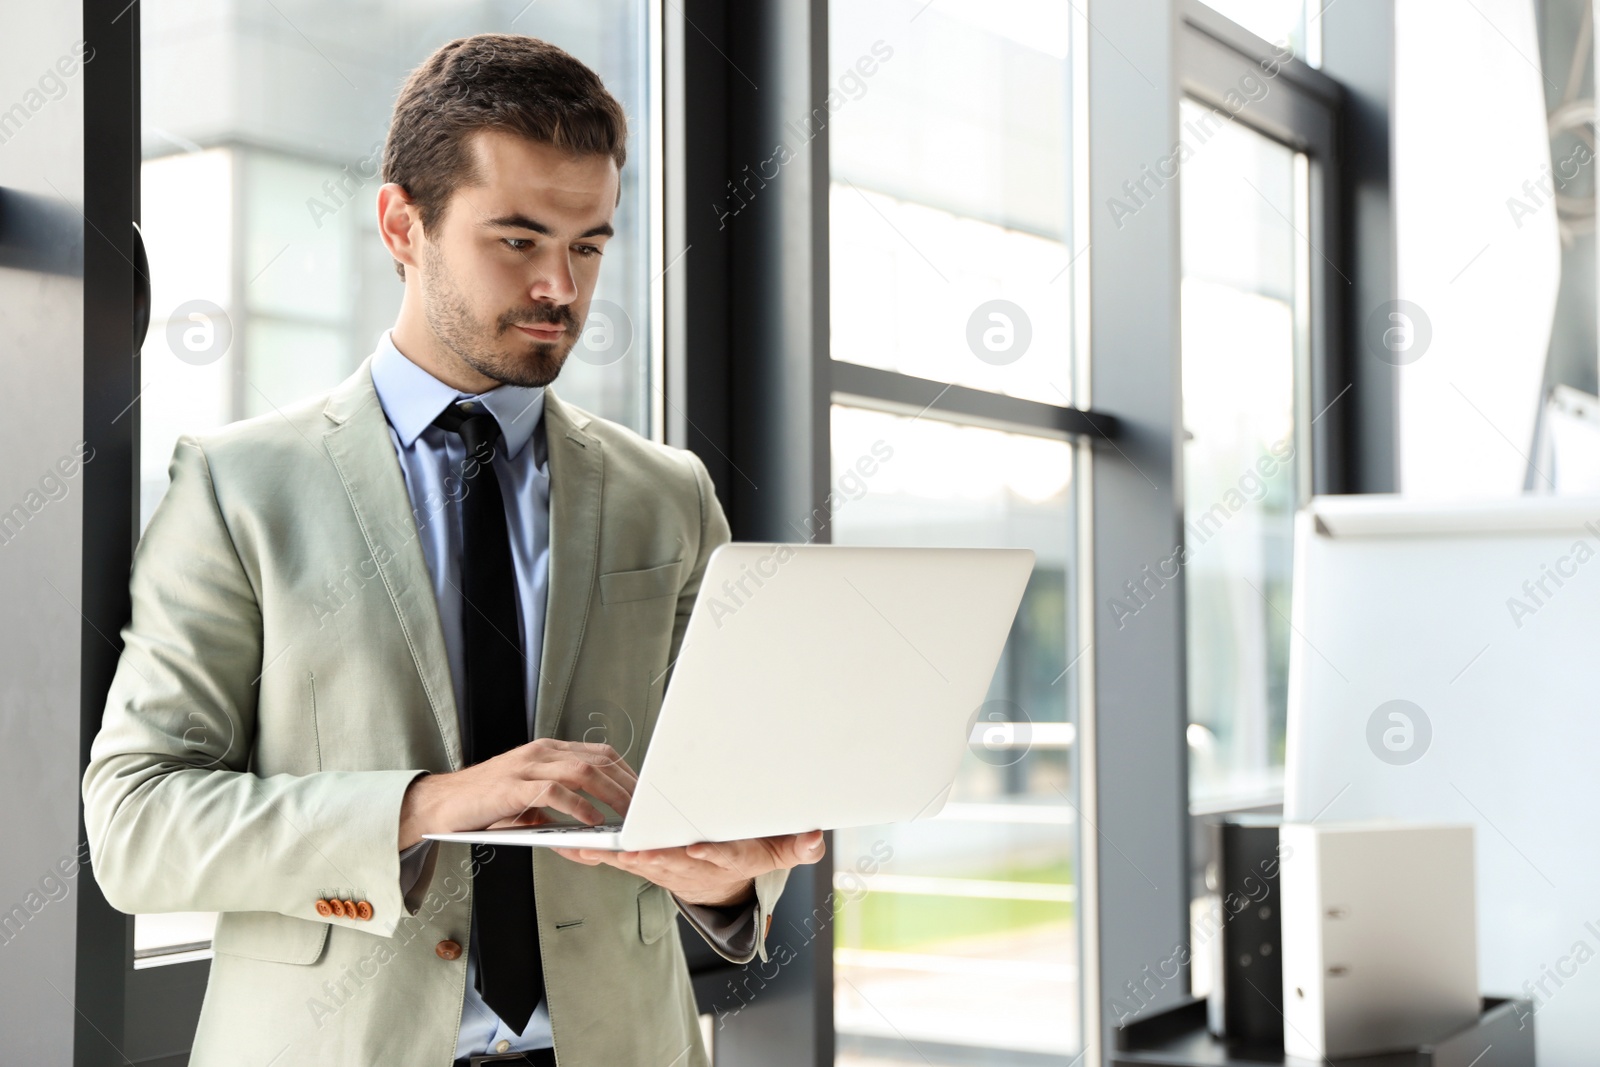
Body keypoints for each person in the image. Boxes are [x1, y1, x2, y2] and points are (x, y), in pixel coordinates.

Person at [82, 33, 823, 1067]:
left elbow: (725, 786)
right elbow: (137, 822)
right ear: (402, 223)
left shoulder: (669, 494)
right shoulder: (237, 485)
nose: (561, 286)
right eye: (516, 239)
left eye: (590, 244)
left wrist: (728, 875)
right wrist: (427, 802)